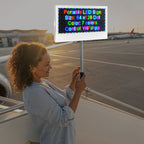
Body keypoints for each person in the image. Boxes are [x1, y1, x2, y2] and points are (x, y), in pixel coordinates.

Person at [7, 42, 86, 144]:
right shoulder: (33, 93)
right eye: (46, 65)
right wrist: (78, 91)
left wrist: (73, 82)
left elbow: (64, 102)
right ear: (32, 68)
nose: (50, 67)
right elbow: (63, 118)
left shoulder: (42, 82)